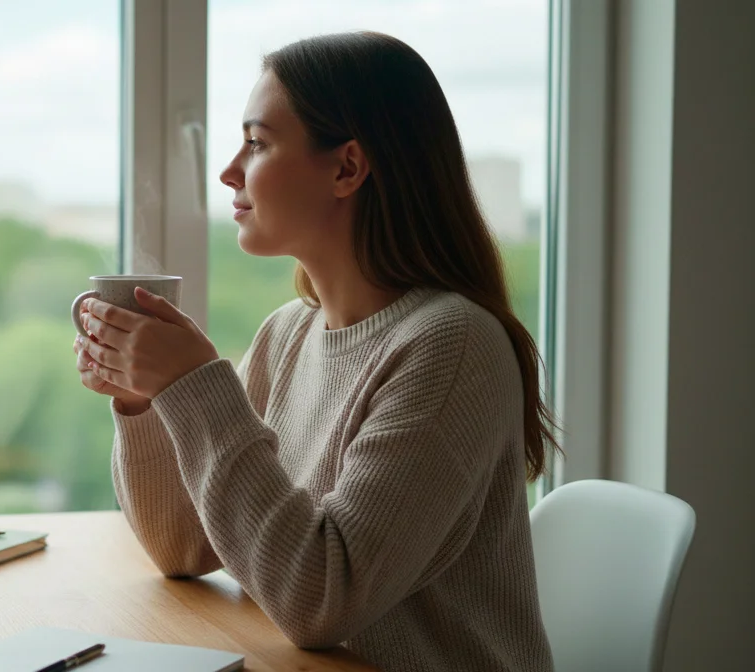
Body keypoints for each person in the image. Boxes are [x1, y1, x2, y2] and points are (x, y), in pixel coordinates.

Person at [72, 32, 556, 672]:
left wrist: (193, 386)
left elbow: (322, 602)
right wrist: (144, 400)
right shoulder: (289, 334)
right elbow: (185, 548)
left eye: (257, 142)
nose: (229, 171)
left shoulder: (450, 345)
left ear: (348, 168)